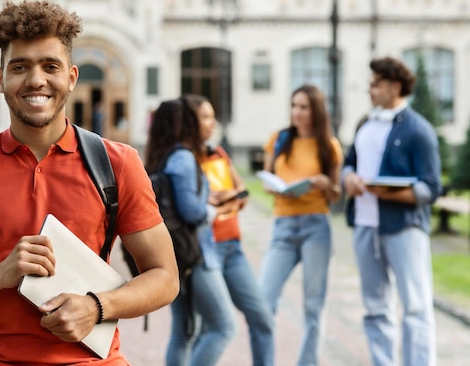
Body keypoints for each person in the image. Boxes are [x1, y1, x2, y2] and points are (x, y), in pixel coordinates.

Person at [0, 0, 179, 366]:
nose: (36, 80)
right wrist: (0, 275)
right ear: (0, 78)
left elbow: (166, 277)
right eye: (20, 67)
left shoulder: (117, 164)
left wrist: (98, 307)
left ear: (71, 77)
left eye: (50, 66)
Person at [342, 57, 441, 366]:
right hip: (364, 226)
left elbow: (431, 187)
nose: (370, 90)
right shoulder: (366, 123)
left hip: (404, 229)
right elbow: (350, 161)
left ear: (395, 87)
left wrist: (393, 193)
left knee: (415, 307)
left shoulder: (418, 130)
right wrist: (348, 178)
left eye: (376, 84)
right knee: (375, 307)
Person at [145, 98, 237, 366]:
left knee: (184, 332)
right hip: (195, 256)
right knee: (223, 326)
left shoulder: (158, 158)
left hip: (174, 255)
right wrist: (214, 209)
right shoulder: (183, 158)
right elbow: (191, 213)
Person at [257, 84, 343, 366]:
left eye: (304, 107)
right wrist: (275, 188)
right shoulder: (279, 139)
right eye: (294, 105)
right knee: (263, 301)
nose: (297, 112)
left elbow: (336, 195)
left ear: (316, 110)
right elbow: (268, 178)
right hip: (283, 225)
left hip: (316, 226)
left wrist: (325, 183)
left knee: (313, 306)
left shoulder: (328, 145)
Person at [184, 93, 272, 366]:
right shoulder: (184, 160)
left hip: (232, 247)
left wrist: (230, 197)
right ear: (190, 122)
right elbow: (190, 206)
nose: (213, 123)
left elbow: (242, 190)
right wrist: (218, 199)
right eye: (206, 117)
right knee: (208, 329)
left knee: (262, 318)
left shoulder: (218, 152)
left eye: (213, 116)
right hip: (204, 251)